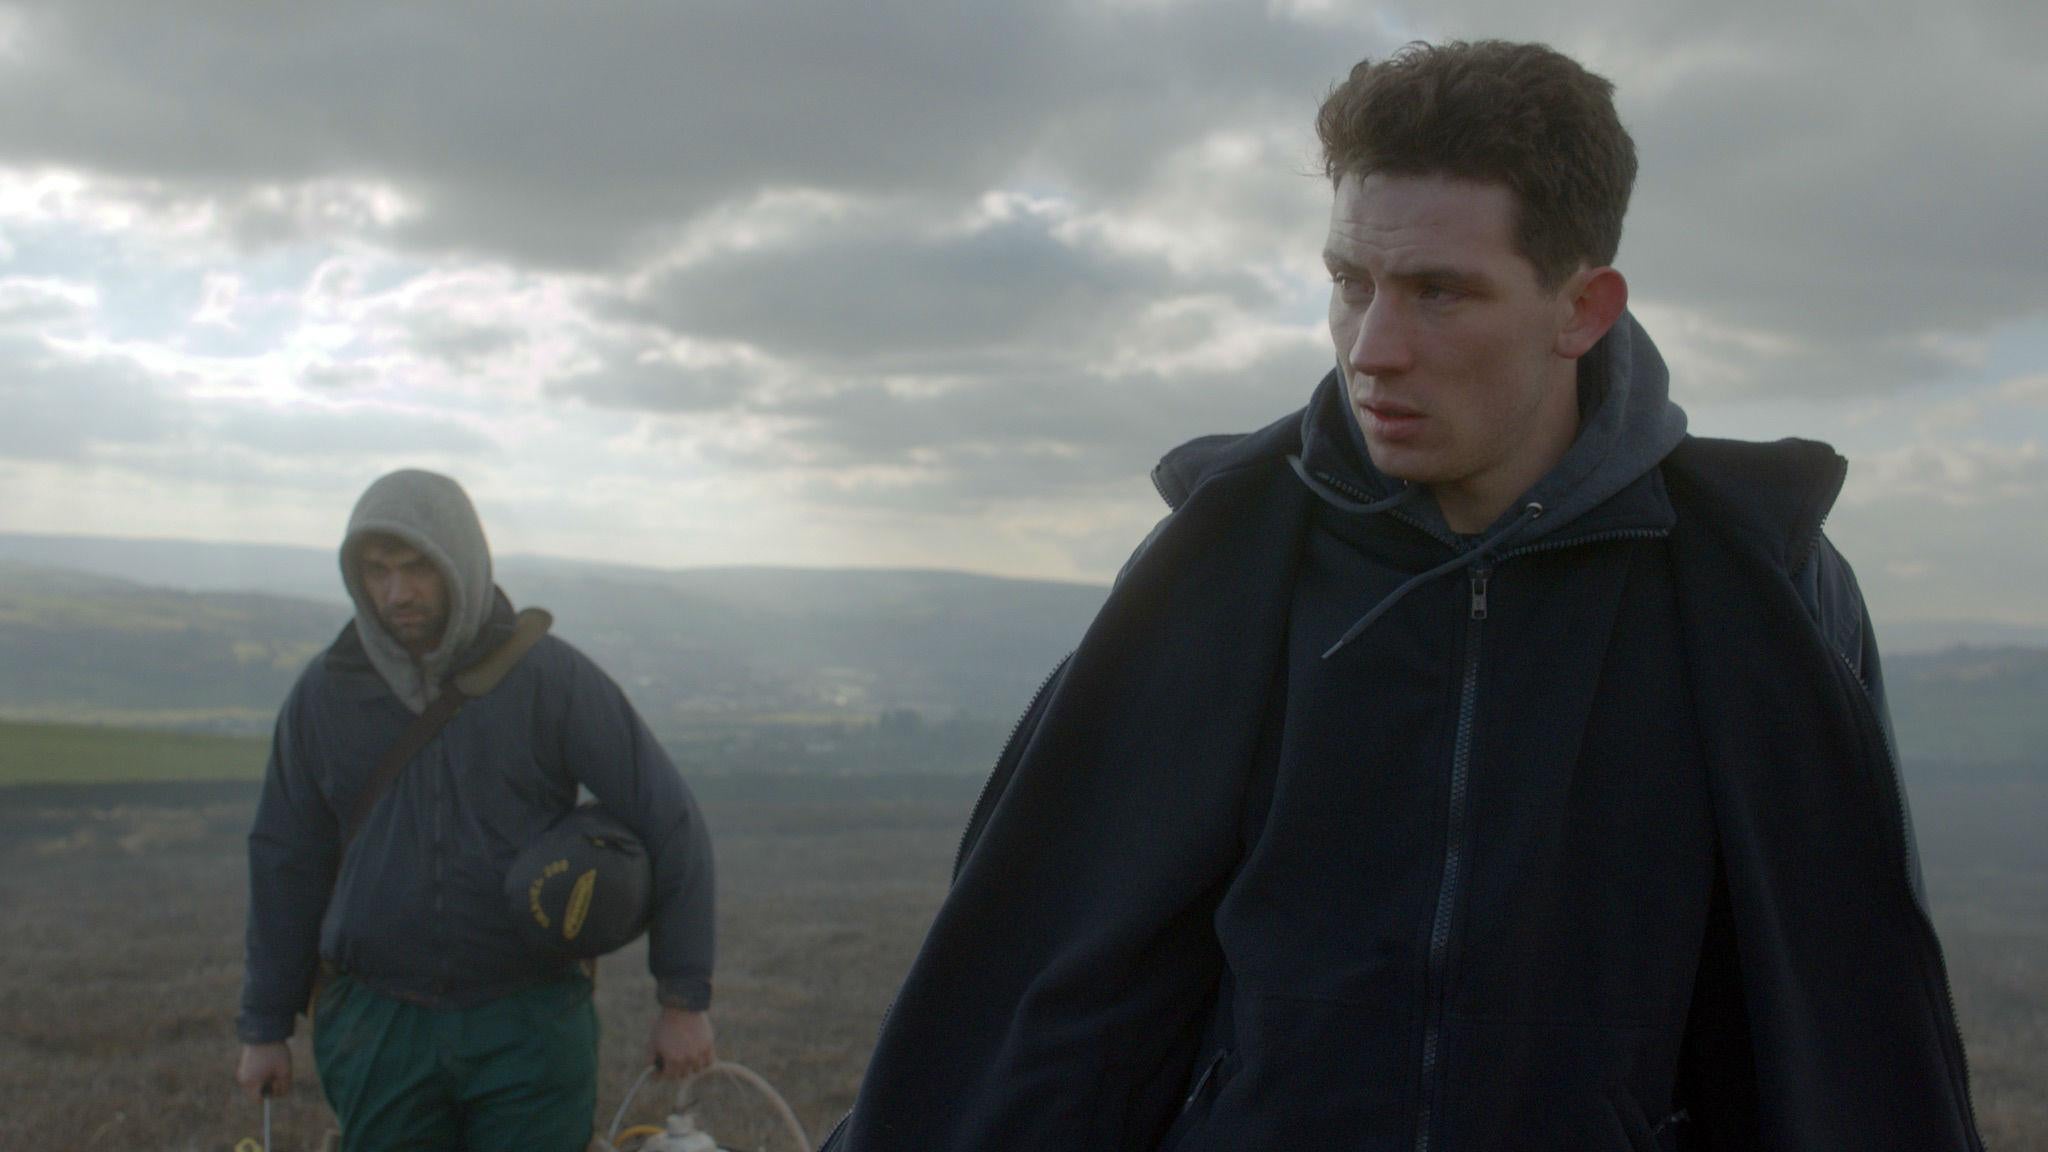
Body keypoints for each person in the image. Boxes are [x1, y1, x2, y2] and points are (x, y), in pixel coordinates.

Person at [825, 40, 1983, 1152]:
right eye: (1348, 282)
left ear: (1581, 309)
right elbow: (1047, 987)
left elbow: (1842, 1006)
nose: (1371, 348)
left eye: (1439, 292)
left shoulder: (1751, 583)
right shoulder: (1223, 560)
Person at [233, 469, 717, 1152]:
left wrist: (683, 1000)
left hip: (527, 1021)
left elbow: (671, 821)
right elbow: (285, 857)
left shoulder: (550, 679)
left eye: (417, 569)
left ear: (459, 561)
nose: (397, 592)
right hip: (378, 1025)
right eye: (378, 571)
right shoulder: (324, 695)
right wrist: (265, 1026)